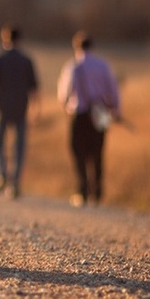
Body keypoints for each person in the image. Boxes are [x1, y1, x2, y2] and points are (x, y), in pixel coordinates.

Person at [56, 31, 122, 207]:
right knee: (98, 152)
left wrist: (65, 106)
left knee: (78, 152)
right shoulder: (103, 66)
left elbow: (64, 94)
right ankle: (98, 191)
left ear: (76, 46)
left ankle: (82, 189)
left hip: (80, 113)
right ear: (92, 46)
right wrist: (115, 110)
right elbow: (113, 90)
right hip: (101, 115)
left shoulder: (73, 67)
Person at [0, 25, 40, 199]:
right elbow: (34, 88)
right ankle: (14, 184)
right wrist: (36, 109)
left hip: (2, 108)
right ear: (20, 39)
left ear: (4, 38)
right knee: (19, 146)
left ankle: (1, 174)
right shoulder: (27, 60)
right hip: (21, 107)